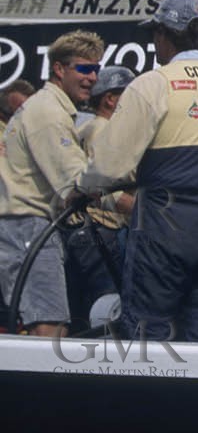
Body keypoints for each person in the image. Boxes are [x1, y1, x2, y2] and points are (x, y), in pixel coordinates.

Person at [80, 0, 198, 342]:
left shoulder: (152, 83)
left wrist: (83, 187)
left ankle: (149, 395)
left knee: (148, 326)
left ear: (164, 35)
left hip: (162, 222)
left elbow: (110, 165)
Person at [0, 34, 102, 337]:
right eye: (84, 69)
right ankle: (42, 387)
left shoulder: (45, 108)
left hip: (24, 226)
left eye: (96, 69)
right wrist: (125, 195)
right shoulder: (48, 113)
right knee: (49, 326)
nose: (93, 78)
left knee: (44, 323)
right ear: (59, 69)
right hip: (28, 228)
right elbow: (76, 183)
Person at [64, 64, 136, 331]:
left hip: (92, 232)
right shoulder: (103, 130)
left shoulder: (88, 128)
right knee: (108, 309)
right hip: (101, 232)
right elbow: (106, 190)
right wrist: (147, 211)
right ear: (110, 99)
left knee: (91, 308)